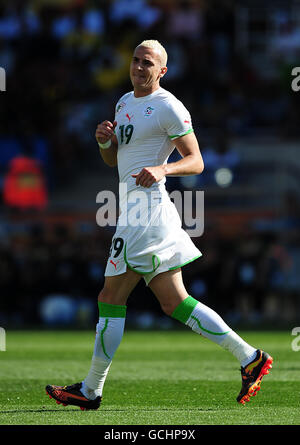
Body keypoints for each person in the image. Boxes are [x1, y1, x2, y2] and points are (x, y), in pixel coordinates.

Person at [46, 40, 273, 410]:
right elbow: (113, 161)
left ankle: (90, 390)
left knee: (110, 298)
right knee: (174, 303)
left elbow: (196, 161)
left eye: (147, 62)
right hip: (139, 212)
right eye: (135, 60)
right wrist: (104, 142)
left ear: (162, 71)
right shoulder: (123, 103)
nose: (138, 66)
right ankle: (250, 357)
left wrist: (163, 168)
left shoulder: (169, 106)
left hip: (145, 214)